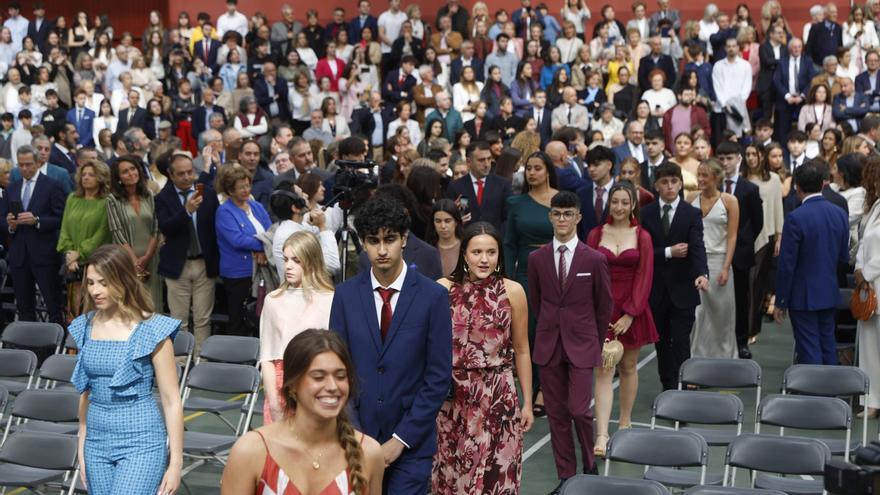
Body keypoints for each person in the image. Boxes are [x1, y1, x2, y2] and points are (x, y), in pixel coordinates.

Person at [329, 195, 452, 494]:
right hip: (356, 440)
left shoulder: (433, 297)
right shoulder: (345, 296)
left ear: (404, 239)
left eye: (390, 239)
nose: (382, 250)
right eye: (374, 241)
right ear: (363, 243)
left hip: (411, 444)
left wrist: (401, 439)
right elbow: (337, 369)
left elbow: (438, 377)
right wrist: (356, 436)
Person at [69, 244, 183, 495]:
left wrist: (175, 463)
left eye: (103, 283)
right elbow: (86, 393)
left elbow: (171, 399)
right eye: (90, 283)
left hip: (141, 441)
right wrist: (82, 443)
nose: (95, 291)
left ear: (123, 280)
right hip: (96, 443)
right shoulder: (85, 326)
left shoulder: (153, 329)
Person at [432, 221, 534, 494]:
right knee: (452, 475)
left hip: (497, 397)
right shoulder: (442, 289)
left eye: (491, 252)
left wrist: (527, 403)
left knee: (494, 477)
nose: (484, 259)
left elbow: (522, 348)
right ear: (464, 254)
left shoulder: (513, 291)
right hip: (452, 398)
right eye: (477, 252)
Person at [221, 329, 385, 494]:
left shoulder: (369, 453)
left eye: (341, 376)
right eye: (318, 377)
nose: (332, 386)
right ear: (292, 385)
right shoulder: (251, 450)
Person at [528, 191, 613, 493]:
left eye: (568, 214)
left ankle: (590, 466)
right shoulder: (536, 259)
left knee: (579, 410)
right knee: (557, 416)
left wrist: (594, 341)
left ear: (578, 217)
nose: (562, 219)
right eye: (557, 213)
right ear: (550, 216)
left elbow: (604, 305)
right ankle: (566, 477)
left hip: (583, 345)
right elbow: (537, 301)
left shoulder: (595, 259)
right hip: (549, 344)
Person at [586, 181, 657, 457]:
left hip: (632, 309)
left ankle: (625, 422)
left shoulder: (643, 236)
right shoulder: (595, 234)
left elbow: (645, 275)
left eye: (624, 202)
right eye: (614, 201)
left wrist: (630, 313)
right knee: (603, 370)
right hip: (602, 309)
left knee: (628, 367)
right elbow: (588, 274)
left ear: (633, 205)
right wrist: (596, 312)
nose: (619, 207)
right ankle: (602, 434)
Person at [641, 163, 710, 390]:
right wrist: (669, 252)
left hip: (684, 287)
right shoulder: (646, 213)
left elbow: (697, 246)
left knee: (681, 340)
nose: (670, 186)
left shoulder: (691, 213)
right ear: (656, 185)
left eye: (674, 181)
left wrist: (702, 273)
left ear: (681, 184)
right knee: (661, 342)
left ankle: (684, 383)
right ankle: (668, 386)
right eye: (664, 182)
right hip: (657, 289)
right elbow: (642, 252)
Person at [774, 160, 850, 364]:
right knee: (828, 346)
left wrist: (781, 300)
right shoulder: (840, 213)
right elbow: (844, 257)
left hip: (803, 295)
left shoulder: (795, 218)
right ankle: (831, 384)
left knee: (809, 350)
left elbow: (787, 264)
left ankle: (814, 385)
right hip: (829, 290)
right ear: (823, 184)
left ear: (797, 187)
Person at [503, 151, 558, 417]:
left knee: (554, 330)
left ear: (548, 171)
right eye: (529, 168)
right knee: (530, 333)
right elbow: (509, 244)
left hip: (558, 271)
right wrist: (508, 280)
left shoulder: (562, 200)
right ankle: (535, 388)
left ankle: (548, 388)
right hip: (526, 274)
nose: (532, 173)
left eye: (537, 168)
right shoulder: (516, 203)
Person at [259, 231, 334, 424]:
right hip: (281, 384)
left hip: (318, 381)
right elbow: (266, 357)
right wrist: (274, 403)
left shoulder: (330, 299)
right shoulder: (273, 300)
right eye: (286, 259)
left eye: (296, 260)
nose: (288, 266)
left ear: (311, 261)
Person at [155, 154, 220, 351]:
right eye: (181, 173)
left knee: (203, 318)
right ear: (170, 174)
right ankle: (180, 360)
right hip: (178, 266)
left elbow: (216, 226)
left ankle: (202, 357)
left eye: (190, 172)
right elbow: (166, 227)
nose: (186, 177)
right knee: (178, 319)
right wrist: (186, 211)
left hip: (204, 264)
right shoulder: (162, 198)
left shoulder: (207, 193)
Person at [716, 140, 764, 359]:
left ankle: (741, 341)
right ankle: (718, 340)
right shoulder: (713, 186)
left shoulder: (749, 188)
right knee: (716, 297)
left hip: (741, 252)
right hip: (715, 248)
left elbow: (757, 222)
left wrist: (743, 241)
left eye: (729, 158)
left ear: (738, 159)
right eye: (721, 159)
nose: (725, 163)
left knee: (741, 299)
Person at [688, 158, 740, 358]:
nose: (700, 179)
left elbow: (732, 236)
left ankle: (726, 358)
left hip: (720, 261)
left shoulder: (730, 201)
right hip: (695, 262)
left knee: (722, 314)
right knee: (698, 314)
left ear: (716, 178)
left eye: (705, 175)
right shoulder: (691, 198)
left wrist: (726, 267)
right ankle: (696, 359)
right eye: (699, 175)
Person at [215, 165, 272, 337]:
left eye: (248, 185)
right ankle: (236, 351)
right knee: (239, 318)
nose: (246, 190)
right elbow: (237, 240)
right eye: (241, 187)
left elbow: (271, 231)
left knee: (260, 316)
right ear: (230, 191)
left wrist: (263, 245)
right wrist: (264, 245)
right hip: (239, 274)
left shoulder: (256, 206)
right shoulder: (224, 211)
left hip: (262, 271)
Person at [57, 160, 111, 322]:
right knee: (74, 311)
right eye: (84, 174)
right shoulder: (72, 198)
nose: (86, 178)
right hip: (73, 266)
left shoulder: (107, 201)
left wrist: (79, 253)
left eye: (91, 175)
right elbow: (64, 228)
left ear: (101, 178)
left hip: (97, 263)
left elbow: (102, 233)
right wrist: (70, 254)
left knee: (94, 311)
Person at [740, 143, 784, 344]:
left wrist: (779, 236)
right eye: (747, 154)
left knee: (757, 284)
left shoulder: (773, 179)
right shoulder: (741, 178)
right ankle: (744, 328)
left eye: (754, 154)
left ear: (761, 156)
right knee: (746, 284)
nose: (750, 158)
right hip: (743, 237)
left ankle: (752, 329)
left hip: (766, 236)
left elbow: (777, 208)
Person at [106, 156, 162, 309]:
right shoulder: (112, 200)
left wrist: (147, 257)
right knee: (131, 304)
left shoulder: (149, 195)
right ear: (118, 178)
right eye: (125, 172)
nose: (131, 173)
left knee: (153, 303)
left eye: (133, 169)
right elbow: (117, 232)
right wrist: (135, 262)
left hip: (151, 257)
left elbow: (156, 228)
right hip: (126, 259)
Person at [856, 156, 880, 417]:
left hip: (875, 280)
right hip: (868, 288)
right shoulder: (874, 207)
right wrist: (859, 271)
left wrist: (867, 272)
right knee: (868, 346)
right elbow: (863, 243)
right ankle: (872, 401)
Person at [445, 141, 513, 231]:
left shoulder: (503, 185)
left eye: (489, 159)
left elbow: (509, 217)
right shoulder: (456, 186)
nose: (487, 164)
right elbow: (449, 217)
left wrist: (497, 237)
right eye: (481, 160)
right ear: (469, 162)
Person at [425, 199, 463, 277]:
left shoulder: (466, 247)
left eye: (447, 221)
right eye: (438, 221)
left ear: (456, 222)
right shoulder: (426, 249)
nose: (443, 226)